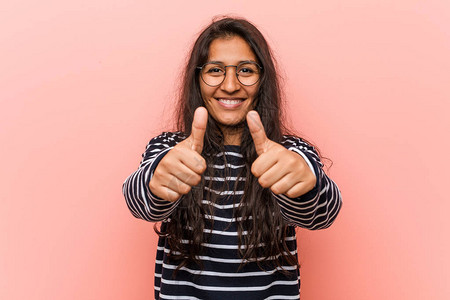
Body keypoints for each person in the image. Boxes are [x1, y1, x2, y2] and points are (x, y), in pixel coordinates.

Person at [123, 17, 342, 300]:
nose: (229, 85)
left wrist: (307, 185)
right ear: (197, 79)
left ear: (263, 79)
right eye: (215, 70)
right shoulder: (170, 149)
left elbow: (322, 215)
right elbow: (141, 205)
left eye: (246, 70)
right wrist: (156, 182)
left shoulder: (290, 154)